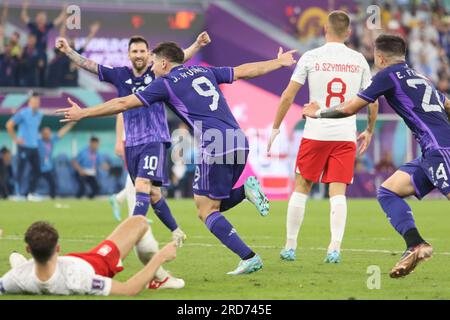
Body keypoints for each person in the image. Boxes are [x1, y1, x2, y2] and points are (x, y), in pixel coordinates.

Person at [57, 41, 297, 275]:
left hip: (215, 144)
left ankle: (249, 256)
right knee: (210, 204)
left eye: (153, 63)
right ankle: (245, 193)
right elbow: (244, 71)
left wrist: (84, 113)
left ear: (163, 63)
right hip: (238, 138)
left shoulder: (165, 83)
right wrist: (278, 62)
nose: (151, 68)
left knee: (206, 210)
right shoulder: (204, 70)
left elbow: (123, 102)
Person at [302, 34, 450, 278]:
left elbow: (350, 108)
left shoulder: (386, 76)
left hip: (439, 150)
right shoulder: (421, 77)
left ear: (380, 58)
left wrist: (318, 113)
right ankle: (416, 244)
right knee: (388, 191)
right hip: (431, 152)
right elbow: (446, 105)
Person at [267, 11, 379, 263]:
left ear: (324, 30)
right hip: (345, 134)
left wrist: (275, 128)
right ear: (349, 33)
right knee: (337, 191)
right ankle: (334, 248)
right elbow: (373, 101)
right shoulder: (359, 59)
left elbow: (287, 95)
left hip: (315, 132)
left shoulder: (311, 56)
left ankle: (290, 246)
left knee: (302, 186)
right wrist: (369, 130)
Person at [0, 216, 178, 296]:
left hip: (59, 264)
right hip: (96, 263)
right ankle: (162, 278)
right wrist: (160, 256)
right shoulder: (77, 280)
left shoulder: (17, 278)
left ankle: (26, 263)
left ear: (28, 249)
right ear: (58, 248)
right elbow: (129, 290)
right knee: (139, 222)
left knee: (24, 269)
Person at [6, 92, 43, 201]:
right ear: (29, 103)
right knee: (21, 170)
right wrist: (15, 139)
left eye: (38, 102)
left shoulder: (40, 114)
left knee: (37, 170)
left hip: (34, 146)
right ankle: (17, 194)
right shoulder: (23, 113)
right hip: (24, 146)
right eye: (34, 102)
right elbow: (9, 125)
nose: (36, 104)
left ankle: (31, 193)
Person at [21, 0, 66, 86]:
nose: (41, 19)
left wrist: (64, 9)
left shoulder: (47, 27)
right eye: (40, 17)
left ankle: (42, 90)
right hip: (33, 54)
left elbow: (58, 20)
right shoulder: (33, 26)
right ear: (37, 18)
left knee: (43, 73)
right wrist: (25, 6)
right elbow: (24, 17)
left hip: (43, 54)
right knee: (32, 73)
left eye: (43, 18)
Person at [37, 122, 76, 199]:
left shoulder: (52, 141)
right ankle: (28, 195)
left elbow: (61, 133)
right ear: (41, 134)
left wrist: (70, 124)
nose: (46, 135)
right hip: (37, 167)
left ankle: (52, 198)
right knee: (32, 182)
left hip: (47, 168)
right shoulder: (38, 142)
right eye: (45, 133)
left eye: (48, 133)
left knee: (53, 183)